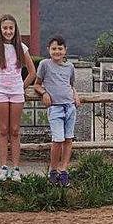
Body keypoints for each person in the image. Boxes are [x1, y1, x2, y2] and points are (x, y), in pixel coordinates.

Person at [0, 14, 36, 181]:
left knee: (15, 130)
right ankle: (3, 167)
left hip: (16, 92)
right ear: (0, 29)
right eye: (5, 28)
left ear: (15, 29)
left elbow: (32, 73)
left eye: (11, 28)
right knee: (3, 129)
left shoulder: (22, 48)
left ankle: (16, 168)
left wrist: (21, 87)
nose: (8, 31)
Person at [34, 36, 81, 186]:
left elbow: (70, 85)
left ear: (65, 50)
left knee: (68, 140)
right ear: (48, 50)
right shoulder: (44, 64)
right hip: (55, 108)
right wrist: (44, 93)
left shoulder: (70, 67)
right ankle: (53, 170)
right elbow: (37, 85)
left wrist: (76, 94)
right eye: (54, 48)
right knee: (58, 140)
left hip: (70, 107)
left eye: (60, 48)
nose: (57, 51)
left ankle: (64, 170)